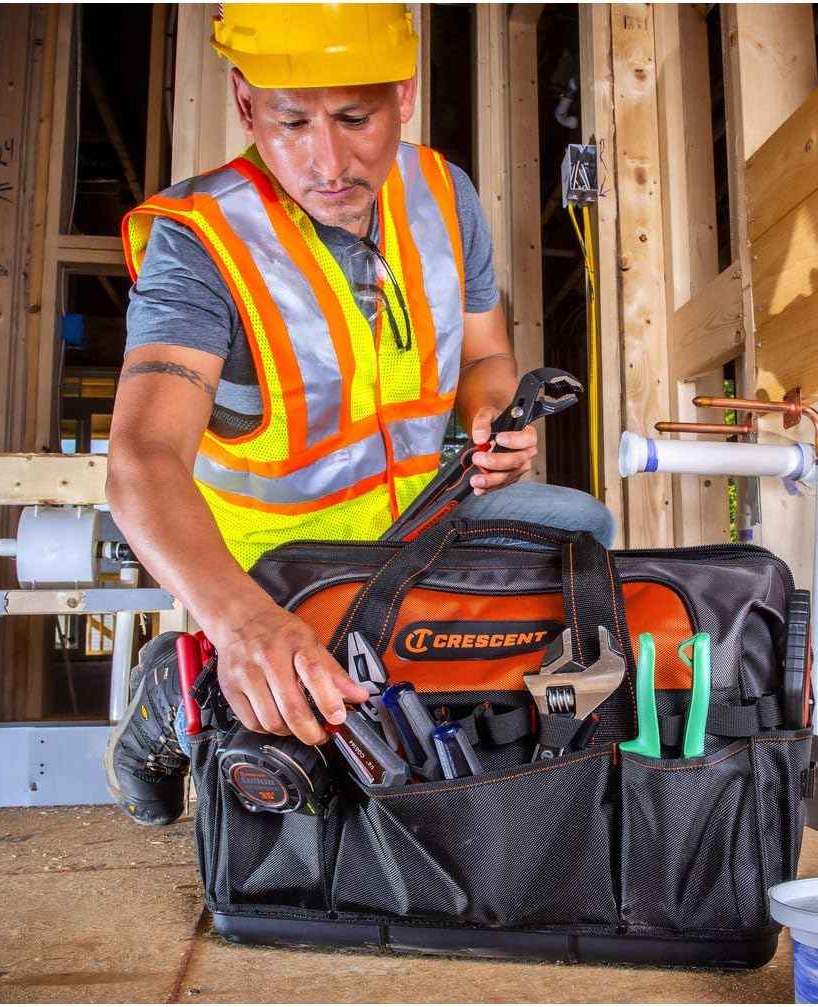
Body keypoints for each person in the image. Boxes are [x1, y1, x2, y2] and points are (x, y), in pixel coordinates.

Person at [103, 3, 614, 825]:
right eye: (292, 122)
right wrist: (243, 623)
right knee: (307, 784)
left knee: (580, 529)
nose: (329, 161)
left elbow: (486, 355)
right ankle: (181, 681)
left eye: (354, 118)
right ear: (245, 105)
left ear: (403, 94)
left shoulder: (443, 195)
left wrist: (490, 415)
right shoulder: (201, 241)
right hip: (282, 574)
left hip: (422, 526)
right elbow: (142, 457)